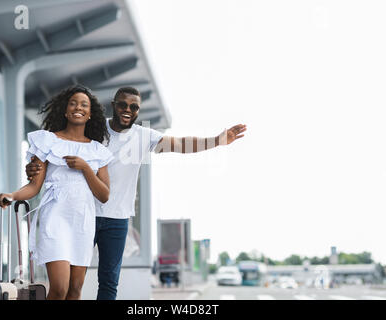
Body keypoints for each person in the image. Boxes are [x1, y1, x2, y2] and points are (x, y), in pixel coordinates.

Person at [26, 86, 247, 300]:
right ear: (113, 105)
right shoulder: (94, 130)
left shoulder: (143, 135)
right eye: (122, 104)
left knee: (109, 281)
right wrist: (34, 167)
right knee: (73, 284)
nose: (127, 110)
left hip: (118, 219)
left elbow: (180, 144)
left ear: (138, 111)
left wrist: (217, 141)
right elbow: (62, 146)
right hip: (83, 215)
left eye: (134, 107)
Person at [0, 84, 113, 300]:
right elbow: (33, 187)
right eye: (73, 103)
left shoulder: (98, 150)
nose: (78, 107)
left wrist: (86, 168)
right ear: (66, 110)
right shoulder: (47, 141)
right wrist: (11, 195)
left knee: (75, 291)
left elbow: (104, 195)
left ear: (90, 114)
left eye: (84, 105)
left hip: (83, 222)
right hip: (56, 219)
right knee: (59, 289)